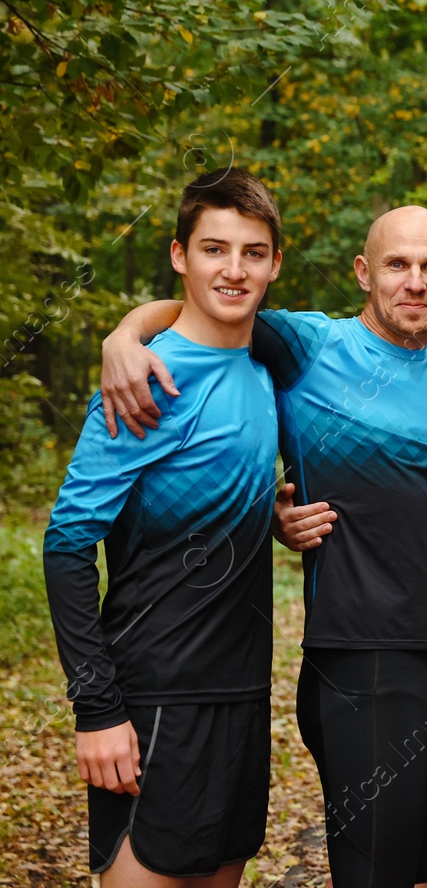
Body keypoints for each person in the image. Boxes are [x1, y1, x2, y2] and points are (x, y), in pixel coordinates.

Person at [98, 205, 427, 888]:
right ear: (362, 272)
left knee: (425, 878)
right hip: (356, 663)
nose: (413, 281)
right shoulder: (309, 346)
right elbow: (212, 306)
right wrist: (125, 332)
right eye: (396, 264)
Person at [44, 168, 283, 886]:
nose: (233, 269)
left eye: (252, 251)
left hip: (243, 694)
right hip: (155, 700)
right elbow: (65, 545)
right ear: (180, 255)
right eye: (214, 249)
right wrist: (97, 708)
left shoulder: (268, 361)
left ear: (275, 263)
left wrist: (269, 512)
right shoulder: (144, 381)